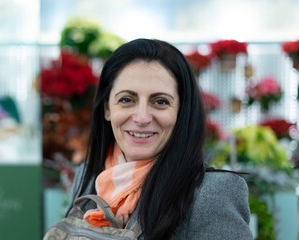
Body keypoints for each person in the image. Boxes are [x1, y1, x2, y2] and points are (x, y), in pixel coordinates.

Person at [67, 39, 253, 239]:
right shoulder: (88, 178)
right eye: (127, 100)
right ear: (107, 108)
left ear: (181, 112)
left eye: (160, 101)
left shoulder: (212, 194)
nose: (142, 118)